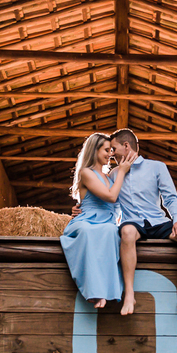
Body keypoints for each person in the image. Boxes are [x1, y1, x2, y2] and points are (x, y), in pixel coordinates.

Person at [108, 128, 177, 322]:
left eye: (113, 149)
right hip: (132, 223)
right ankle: (130, 295)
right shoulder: (113, 175)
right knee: (126, 232)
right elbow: (109, 205)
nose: (111, 154)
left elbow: (171, 198)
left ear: (126, 146)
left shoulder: (157, 167)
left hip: (158, 221)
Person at [60, 132, 137, 309]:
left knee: (111, 232)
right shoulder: (86, 173)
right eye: (106, 150)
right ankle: (94, 291)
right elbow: (110, 196)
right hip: (88, 219)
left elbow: (116, 204)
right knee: (88, 232)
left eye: (111, 149)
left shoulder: (109, 176)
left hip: (107, 221)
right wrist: (122, 173)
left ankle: (106, 291)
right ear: (94, 150)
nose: (110, 153)